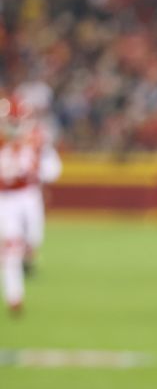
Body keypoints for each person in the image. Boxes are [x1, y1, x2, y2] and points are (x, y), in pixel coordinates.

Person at [0, 97, 62, 316]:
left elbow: (53, 168)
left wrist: (42, 173)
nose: (14, 127)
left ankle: (27, 257)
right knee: (11, 248)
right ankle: (14, 297)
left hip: (29, 195)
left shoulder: (36, 139)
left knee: (33, 239)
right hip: (5, 199)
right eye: (10, 122)